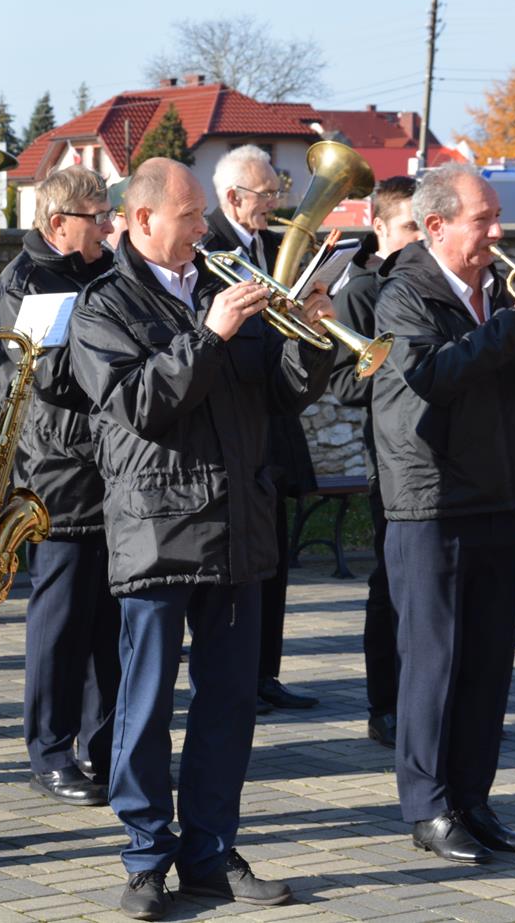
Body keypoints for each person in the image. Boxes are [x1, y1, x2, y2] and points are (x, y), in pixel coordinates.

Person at [68, 158, 334, 920]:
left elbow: (280, 395)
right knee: (145, 703)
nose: (203, 230)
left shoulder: (224, 280)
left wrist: (308, 339)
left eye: (202, 217)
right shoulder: (103, 306)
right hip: (157, 529)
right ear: (143, 219)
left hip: (237, 523)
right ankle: (147, 856)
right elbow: (138, 404)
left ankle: (212, 850)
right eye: (189, 217)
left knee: (228, 703)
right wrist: (211, 335)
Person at [371, 163, 515, 864]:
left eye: (497, 218)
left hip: (498, 489)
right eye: (483, 219)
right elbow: (433, 375)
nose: (498, 232)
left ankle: (473, 799)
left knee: (488, 661)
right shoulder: (404, 291)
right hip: (430, 499)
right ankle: (428, 806)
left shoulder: (492, 290)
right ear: (436, 227)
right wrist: (513, 322)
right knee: (435, 662)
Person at [0, 166, 119, 806]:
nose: (108, 225)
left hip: (115, 466)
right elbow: (48, 378)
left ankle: (106, 748)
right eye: (96, 216)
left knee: (110, 625)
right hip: (60, 471)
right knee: (61, 621)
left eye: (107, 213)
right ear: (56, 223)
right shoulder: (25, 282)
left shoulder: (109, 270)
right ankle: (49, 752)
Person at [204, 145, 318, 712]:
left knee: (275, 559)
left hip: (275, 423)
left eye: (278, 192)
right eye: (266, 195)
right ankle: (238, 678)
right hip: (237, 422)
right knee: (241, 567)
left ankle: (266, 673)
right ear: (232, 198)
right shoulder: (210, 252)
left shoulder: (276, 247)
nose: (277, 203)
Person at [328, 175, 420, 749]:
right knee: (391, 584)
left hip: (441, 450)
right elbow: (343, 381)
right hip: (389, 455)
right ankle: (383, 705)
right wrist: (407, 368)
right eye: (408, 227)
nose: (416, 240)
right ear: (380, 226)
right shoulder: (359, 289)